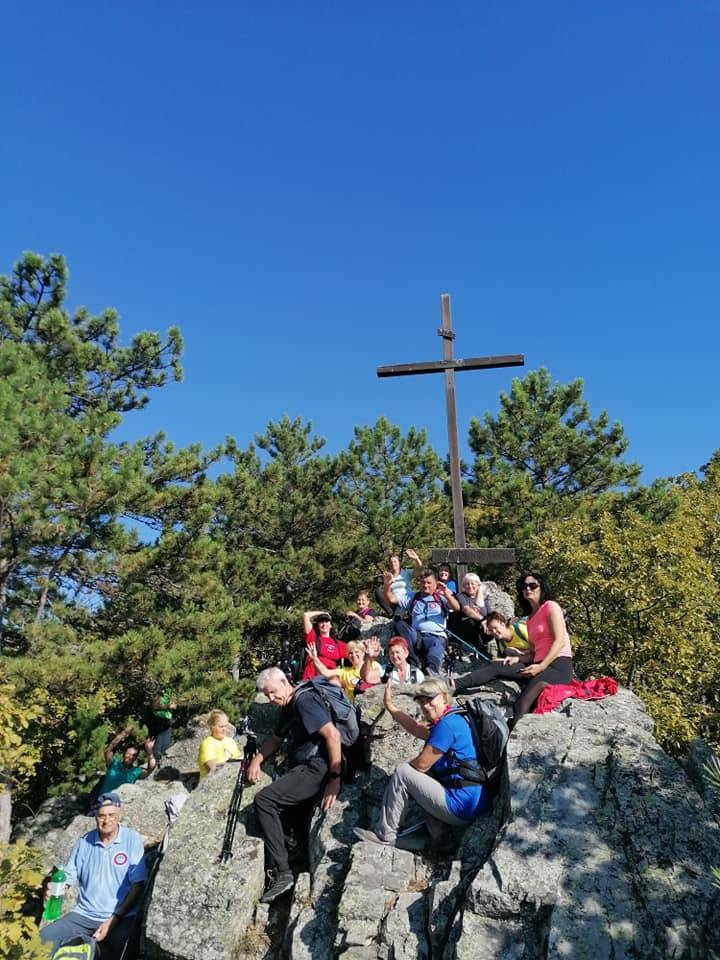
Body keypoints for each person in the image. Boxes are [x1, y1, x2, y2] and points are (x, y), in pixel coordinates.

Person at [353, 679, 491, 854]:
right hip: (477, 802)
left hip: (462, 806)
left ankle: (385, 835)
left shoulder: (446, 726)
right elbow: (415, 728)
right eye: (421, 701)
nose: (426, 706)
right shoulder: (456, 718)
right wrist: (390, 706)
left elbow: (422, 765)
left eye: (430, 699)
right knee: (426, 777)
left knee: (403, 772)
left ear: (444, 697)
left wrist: (403, 779)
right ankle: (441, 841)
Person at [249, 667, 344, 903]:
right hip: (305, 767)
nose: (271, 699)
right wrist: (258, 759)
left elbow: (333, 736)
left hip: (317, 767)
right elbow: (276, 739)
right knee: (286, 815)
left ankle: (282, 872)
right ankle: (293, 859)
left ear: (284, 681)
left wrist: (334, 780)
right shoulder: (289, 706)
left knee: (264, 800)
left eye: (272, 692)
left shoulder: (304, 702)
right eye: (267, 695)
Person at [453, 573, 574, 725]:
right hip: (538, 665)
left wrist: (541, 666)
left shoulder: (551, 606)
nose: (528, 589)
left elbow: (559, 641)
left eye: (532, 585)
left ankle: (512, 744)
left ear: (542, 587)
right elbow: (533, 654)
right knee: (498, 666)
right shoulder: (530, 619)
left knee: (522, 704)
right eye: (524, 587)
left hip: (558, 666)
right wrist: (517, 659)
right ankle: (455, 684)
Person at [40, 792, 147, 959]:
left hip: (121, 916)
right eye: (101, 816)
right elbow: (67, 876)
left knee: (126, 951)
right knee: (44, 938)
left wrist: (115, 918)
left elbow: (138, 885)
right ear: (95, 817)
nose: (107, 820)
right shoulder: (84, 842)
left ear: (120, 816)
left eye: (112, 815)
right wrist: (57, 890)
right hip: (84, 914)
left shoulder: (131, 839)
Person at [385, 567, 460, 676]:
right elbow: (391, 599)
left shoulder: (441, 598)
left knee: (436, 645)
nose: (425, 585)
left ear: (435, 584)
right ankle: (413, 662)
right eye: (423, 582)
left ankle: (432, 669)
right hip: (417, 636)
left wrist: (447, 594)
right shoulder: (413, 597)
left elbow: (457, 607)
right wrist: (387, 585)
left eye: (429, 583)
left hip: (436, 635)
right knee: (400, 624)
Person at [305, 637, 382, 701]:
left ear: (363, 652)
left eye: (356, 652)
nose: (354, 655)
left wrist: (370, 658)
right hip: (354, 710)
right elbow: (326, 672)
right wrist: (315, 658)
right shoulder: (345, 671)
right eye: (350, 653)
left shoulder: (374, 665)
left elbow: (370, 677)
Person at [98, 726, 156, 795]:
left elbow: (151, 768)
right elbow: (108, 750)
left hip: (121, 802)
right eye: (128, 754)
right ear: (124, 753)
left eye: (133, 755)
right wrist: (123, 734)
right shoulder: (113, 763)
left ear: (136, 758)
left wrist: (149, 751)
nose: (130, 757)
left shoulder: (136, 771)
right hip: (103, 800)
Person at [301, 610, 348, 680]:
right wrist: (323, 613)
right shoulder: (312, 638)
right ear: (317, 626)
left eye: (326, 621)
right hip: (311, 679)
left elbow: (356, 652)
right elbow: (306, 615)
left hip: (329, 681)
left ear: (331, 625)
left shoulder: (338, 644)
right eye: (321, 622)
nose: (324, 624)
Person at [374, 548, 422, 618]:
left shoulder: (406, 572)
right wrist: (387, 583)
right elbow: (386, 593)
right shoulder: (388, 576)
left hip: (405, 601)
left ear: (399, 563)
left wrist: (416, 558)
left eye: (395, 561)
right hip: (392, 601)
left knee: (400, 610)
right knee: (378, 590)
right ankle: (390, 613)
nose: (393, 564)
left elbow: (420, 570)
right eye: (391, 562)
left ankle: (399, 614)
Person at [453, 573, 491, 652]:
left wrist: (489, 622)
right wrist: (482, 620)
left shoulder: (484, 598)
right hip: (466, 627)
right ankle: (479, 649)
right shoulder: (461, 596)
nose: (470, 586)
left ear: (478, 585)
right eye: (467, 584)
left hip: (482, 629)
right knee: (471, 622)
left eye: (472, 584)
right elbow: (466, 610)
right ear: (463, 586)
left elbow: (490, 614)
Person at [197, 709, 241, 778]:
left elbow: (238, 762)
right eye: (221, 726)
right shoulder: (207, 744)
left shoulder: (230, 741)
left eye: (226, 726)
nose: (224, 729)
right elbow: (213, 770)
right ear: (212, 727)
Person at [146, 692, 176, 764]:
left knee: (166, 740)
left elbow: (174, 706)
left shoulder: (170, 692)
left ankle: (162, 760)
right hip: (158, 719)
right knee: (158, 740)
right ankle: (156, 760)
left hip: (167, 719)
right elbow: (155, 706)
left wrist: (164, 706)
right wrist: (167, 707)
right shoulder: (158, 692)